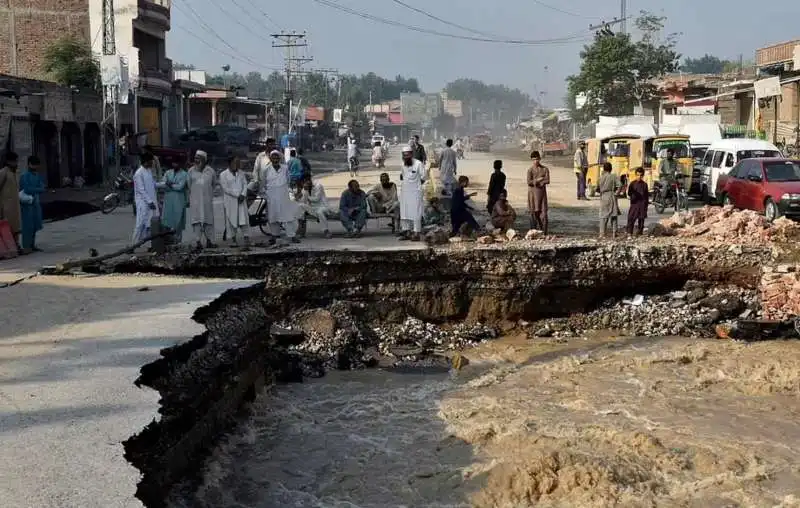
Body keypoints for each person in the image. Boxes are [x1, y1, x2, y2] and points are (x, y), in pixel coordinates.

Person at [257, 150, 299, 245]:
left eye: (277, 157)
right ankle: (274, 235)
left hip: (283, 195)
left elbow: (288, 181)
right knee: (273, 217)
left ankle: (292, 236)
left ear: (280, 158)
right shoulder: (266, 169)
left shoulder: (285, 168)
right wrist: (266, 196)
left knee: (287, 217)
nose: (275, 159)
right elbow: (262, 184)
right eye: (273, 158)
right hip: (271, 197)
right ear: (271, 159)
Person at [188, 150, 217, 249]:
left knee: (208, 221)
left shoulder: (211, 171)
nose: (196, 160)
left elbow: (214, 184)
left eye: (198, 158)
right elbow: (188, 186)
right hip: (195, 202)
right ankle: (197, 242)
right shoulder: (191, 171)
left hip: (207, 201)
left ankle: (210, 241)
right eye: (195, 158)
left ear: (204, 160)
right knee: (196, 222)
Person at [220, 155, 250, 247]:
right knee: (231, 220)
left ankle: (246, 239)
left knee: (244, 219)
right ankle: (233, 241)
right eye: (234, 162)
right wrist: (237, 195)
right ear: (229, 163)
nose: (237, 164)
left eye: (237, 163)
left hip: (241, 200)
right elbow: (225, 188)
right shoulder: (223, 174)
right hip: (230, 201)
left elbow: (245, 184)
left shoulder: (241, 173)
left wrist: (243, 194)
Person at [399, 145, 427, 241]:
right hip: (405, 192)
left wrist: (416, 186)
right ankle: (406, 232)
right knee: (405, 212)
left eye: (407, 155)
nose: (406, 157)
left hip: (415, 193)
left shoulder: (418, 164)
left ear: (411, 154)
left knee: (416, 213)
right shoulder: (402, 164)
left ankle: (416, 233)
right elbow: (403, 176)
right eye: (404, 155)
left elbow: (424, 177)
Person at [19, 155, 45, 252]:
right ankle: (26, 246)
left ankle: (32, 245)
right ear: (29, 164)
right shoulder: (25, 176)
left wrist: (38, 189)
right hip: (27, 204)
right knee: (27, 226)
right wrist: (38, 189)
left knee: (35, 225)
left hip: (36, 203)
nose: (35, 167)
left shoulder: (37, 175)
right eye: (34, 165)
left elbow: (42, 187)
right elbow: (27, 189)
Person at [132, 152, 158, 244]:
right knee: (140, 224)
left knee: (149, 225)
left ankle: (149, 245)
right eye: (151, 161)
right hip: (142, 203)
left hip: (150, 202)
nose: (153, 163)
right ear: (147, 161)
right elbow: (141, 190)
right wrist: (149, 202)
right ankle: (133, 245)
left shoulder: (149, 171)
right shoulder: (138, 173)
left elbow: (153, 184)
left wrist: (164, 184)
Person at [160, 159, 188, 244]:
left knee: (178, 221)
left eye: (177, 162)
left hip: (179, 200)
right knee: (167, 221)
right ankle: (167, 241)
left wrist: (170, 184)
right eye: (174, 162)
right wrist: (172, 185)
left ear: (180, 164)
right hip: (168, 200)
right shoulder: (168, 172)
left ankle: (178, 242)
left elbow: (180, 187)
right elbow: (163, 185)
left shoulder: (184, 174)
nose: (175, 164)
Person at [0, 152, 22, 253]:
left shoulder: (15, 172)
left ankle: (17, 245)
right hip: (6, 205)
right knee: (8, 227)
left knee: (16, 227)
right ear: (9, 161)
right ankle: (9, 248)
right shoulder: (3, 172)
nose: (16, 163)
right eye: (15, 161)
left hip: (15, 204)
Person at [526, 150, 550, 234]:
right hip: (532, 195)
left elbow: (547, 180)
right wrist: (538, 180)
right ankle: (533, 232)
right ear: (532, 160)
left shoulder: (545, 169)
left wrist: (541, 182)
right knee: (533, 213)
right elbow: (529, 182)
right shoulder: (530, 170)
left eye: (537, 159)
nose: (536, 161)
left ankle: (544, 232)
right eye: (534, 159)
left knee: (543, 213)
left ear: (540, 159)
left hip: (542, 195)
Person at [597, 162, 621, 238]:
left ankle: (602, 234)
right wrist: (616, 193)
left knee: (603, 216)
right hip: (611, 196)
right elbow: (620, 185)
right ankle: (615, 233)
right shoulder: (613, 176)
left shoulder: (600, 177)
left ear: (604, 169)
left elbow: (597, 188)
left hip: (603, 197)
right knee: (613, 216)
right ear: (611, 169)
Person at [627, 166, 649, 236]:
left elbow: (646, 196)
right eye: (638, 175)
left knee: (641, 219)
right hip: (634, 204)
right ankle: (629, 232)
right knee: (631, 218)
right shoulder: (632, 184)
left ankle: (640, 233)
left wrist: (646, 206)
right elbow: (629, 193)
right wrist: (634, 196)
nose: (639, 177)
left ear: (643, 175)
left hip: (642, 204)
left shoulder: (645, 185)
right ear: (635, 174)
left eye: (641, 175)